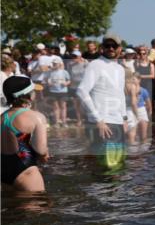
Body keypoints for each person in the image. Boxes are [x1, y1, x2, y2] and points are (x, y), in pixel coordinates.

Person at [76, 36, 127, 169]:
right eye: (107, 45)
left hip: (117, 122)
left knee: (118, 166)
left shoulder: (120, 69)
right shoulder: (95, 65)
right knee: (106, 167)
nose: (110, 48)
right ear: (101, 48)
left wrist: (124, 118)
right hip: (102, 122)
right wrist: (98, 119)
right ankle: (97, 190)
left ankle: (113, 190)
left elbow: (120, 94)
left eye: (114, 46)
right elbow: (81, 91)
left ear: (119, 49)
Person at [1, 76, 48, 191]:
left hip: (3, 170)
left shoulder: (2, 117)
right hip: (25, 171)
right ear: (28, 95)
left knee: (12, 207)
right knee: (37, 206)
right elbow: (41, 150)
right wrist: (45, 154)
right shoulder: (36, 117)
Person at [45, 57, 71, 126]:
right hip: (53, 91)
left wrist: (66, 83)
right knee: (55, 107)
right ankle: (57, 122)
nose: (54, 65)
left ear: (59, 64)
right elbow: (48, 80)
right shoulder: (50, 72)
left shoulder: (64, 72)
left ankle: (64, 122)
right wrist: (49, 83)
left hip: (63, 91)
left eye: (55, 63)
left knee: (63, 107)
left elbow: (69, 80)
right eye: (53, 63)